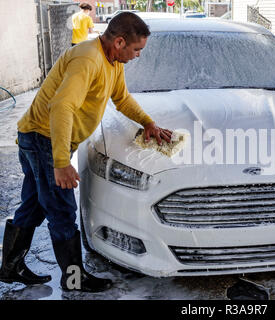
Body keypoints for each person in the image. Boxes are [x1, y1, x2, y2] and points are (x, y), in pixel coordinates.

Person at [0, 12, 172, 292]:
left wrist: (148, 123)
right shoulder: (88, 59)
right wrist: (60, 163)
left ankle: (9, 267)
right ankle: (74, 279)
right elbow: (62, 107)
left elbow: (122, 98)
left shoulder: (112, 61)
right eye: (137, 49)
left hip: (41, 137)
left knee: (33, 204)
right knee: (62, 210)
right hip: (44, 138)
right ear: (119, 42)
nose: (138, 55)